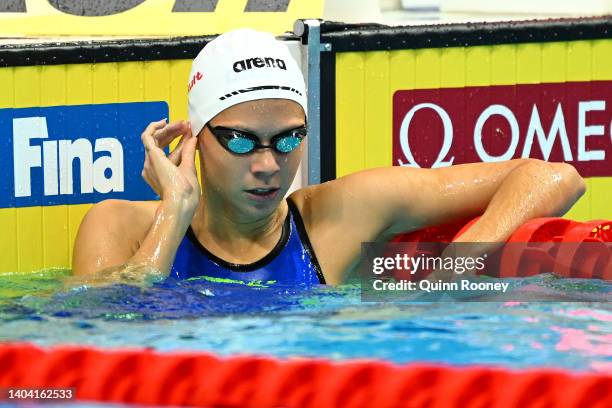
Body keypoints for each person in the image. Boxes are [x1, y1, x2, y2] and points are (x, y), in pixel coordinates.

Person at [72, 29, 585, 286]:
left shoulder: (337, 217)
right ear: (195, 137)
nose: (270, 165)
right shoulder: (118, 226)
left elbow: (552, 176)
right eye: (243, 141)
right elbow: (94, 346)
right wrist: (174, 213)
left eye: (289, 139)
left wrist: (459, 261)